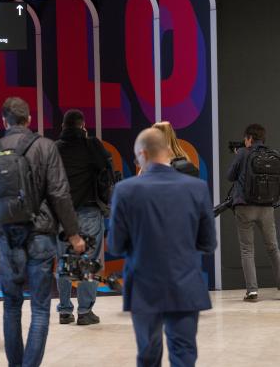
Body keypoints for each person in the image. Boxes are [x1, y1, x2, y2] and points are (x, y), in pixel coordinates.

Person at [0, 97, 84, 367]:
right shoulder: (45, 147)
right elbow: (59, 193)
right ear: (29, 120)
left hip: (7, 237)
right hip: (40, 235)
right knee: (40, 308)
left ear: (4, 121)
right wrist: (73, 234)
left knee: (11, 307)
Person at [108, 128, 216, 367]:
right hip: (185, 284)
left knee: (148, 355)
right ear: (167, 151)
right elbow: (209, 244)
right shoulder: (196, 188)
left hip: (144, 288)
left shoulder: (125, 191)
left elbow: (115, 246)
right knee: (184, 354)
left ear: (142, 155)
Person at [54, 109, 110, 326]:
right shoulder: (91, 144)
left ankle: (65, 310)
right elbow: (106, 167)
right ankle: (85, 311)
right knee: (89, 260)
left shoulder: (55, 148)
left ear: (63, 127)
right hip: (88, 209)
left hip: (62, 212)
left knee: (63, 260)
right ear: (82, 125)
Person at [227, 123, 280, 301]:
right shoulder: (273, 154)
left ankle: (252, 291)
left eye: (245, 139)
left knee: (247, 250)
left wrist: (238, 156)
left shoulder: (243, 153)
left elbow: (230, 176)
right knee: (273, 248)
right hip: (267, 207)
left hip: (245, 206)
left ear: (249, 138)